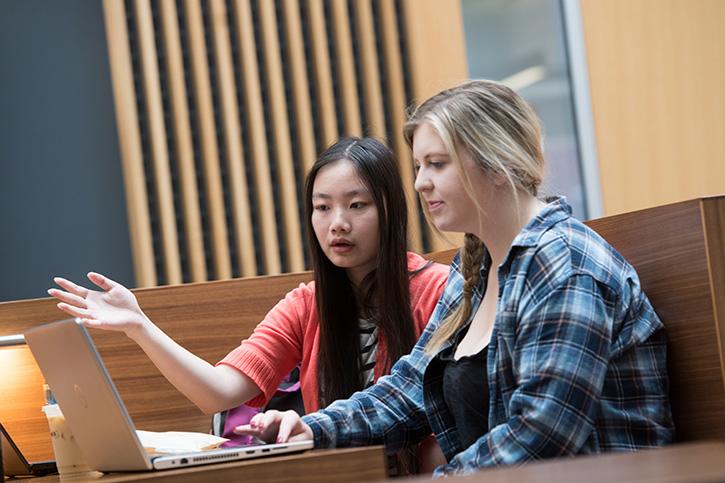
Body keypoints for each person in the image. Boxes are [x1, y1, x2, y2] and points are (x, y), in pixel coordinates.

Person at [236, 80, 675, 476]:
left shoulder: (563, 264)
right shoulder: (476, 268)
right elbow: (410, 389)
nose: (421, 184)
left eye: (437, 164)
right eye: (418, 167)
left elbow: (543, 433)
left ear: (497, 164)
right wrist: (311, 429)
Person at [47, 137, 448, 429]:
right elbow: (217, 391)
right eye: (322, 207)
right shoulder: (306, 305)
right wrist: (141, 327)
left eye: (356, 205)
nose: (337, 223)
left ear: (391, 211)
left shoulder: (438, 290)